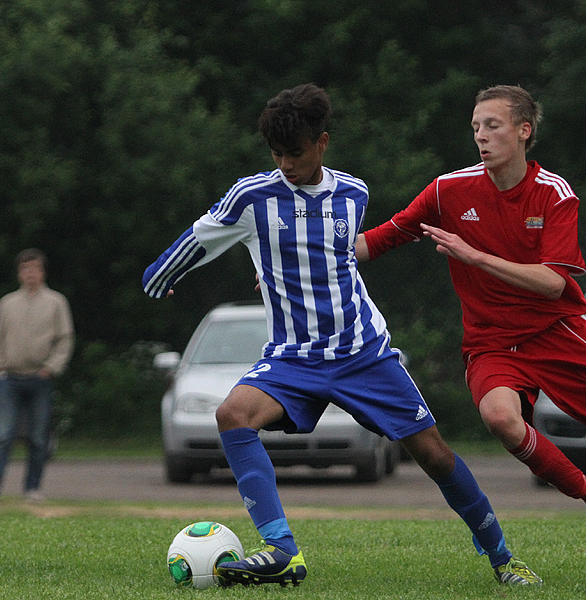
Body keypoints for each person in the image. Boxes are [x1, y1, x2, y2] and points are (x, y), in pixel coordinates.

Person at [143, 84, 540, 588]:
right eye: (278, 154)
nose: (286, 163)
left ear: (322, 142)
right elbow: (201, 236)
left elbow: (337, 260)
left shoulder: (354, 193)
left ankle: (504, 559)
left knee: (435, 455)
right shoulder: (252, 197)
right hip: (293, 357)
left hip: (363, 354)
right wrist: (160, 277)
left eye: (297, 152)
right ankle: (282, 550)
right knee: (232, 415)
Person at [357, 85, 586, 585]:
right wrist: (304, 264)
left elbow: (555, 282)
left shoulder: (553, 192)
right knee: (500, 419)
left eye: (493, 125)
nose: (481, 137)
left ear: (524, 130)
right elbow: (381, 237)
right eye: (475, 127)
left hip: (557, 333)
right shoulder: (449, 190)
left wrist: (476, 256)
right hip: (491, 341)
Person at [0, 248, 74, 503]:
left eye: (34, 269)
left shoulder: (56, 302)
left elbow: (65, 339)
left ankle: (32, 489)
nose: (30, 274)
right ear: (20, 273)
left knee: (39, 438)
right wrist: (0, 367)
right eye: (25, 269)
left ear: (42, 272)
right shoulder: (7, 303)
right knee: (4, 435)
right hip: (9, 378)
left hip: (40, 378)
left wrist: (51, 368)